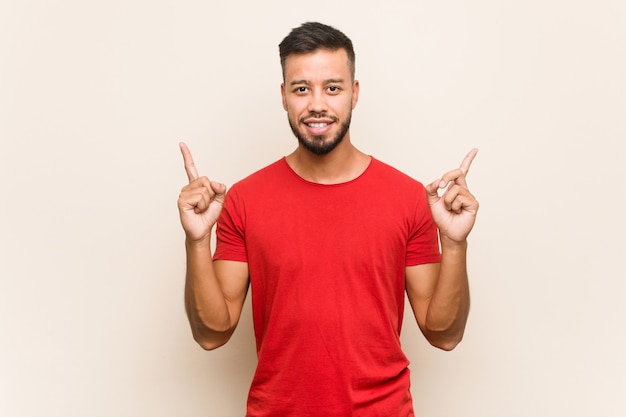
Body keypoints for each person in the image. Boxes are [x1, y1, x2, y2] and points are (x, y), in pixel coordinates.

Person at [177, 21, 479, 417]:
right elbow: (211, 334)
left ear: (354, 94)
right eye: (302, 89)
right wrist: (197, 241)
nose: (317, 103)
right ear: (284, 97)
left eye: (332, 88)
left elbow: (446, 334)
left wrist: (454, 244)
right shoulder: (244, 200)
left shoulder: (408, 198)